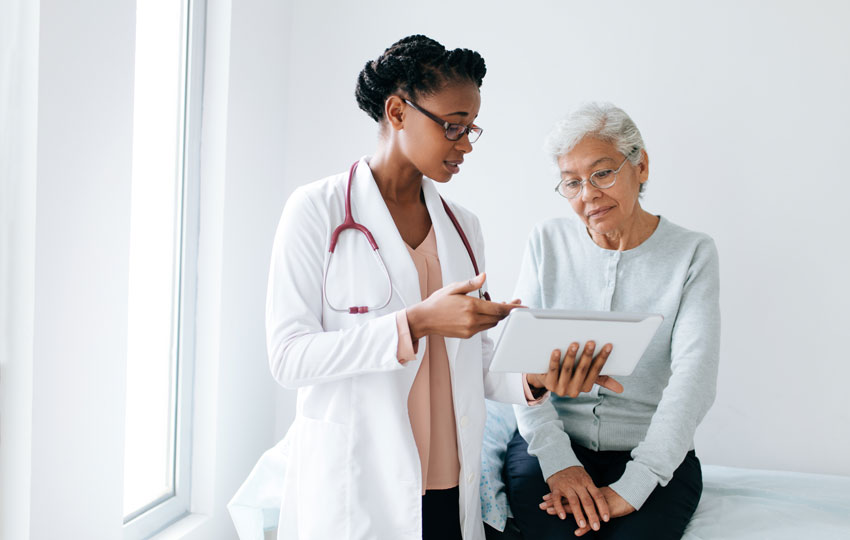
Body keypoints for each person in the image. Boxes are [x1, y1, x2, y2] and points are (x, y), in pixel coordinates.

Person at [249, 37, 622, 540]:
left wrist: (538, 378)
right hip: (358, 481)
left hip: (448, 480)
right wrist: (416, 323)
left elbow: (475, 362)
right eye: (452, 126)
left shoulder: (463, 227)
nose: (465, 144)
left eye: (471, 129)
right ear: (398, 111)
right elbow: (289, 358)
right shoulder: (316, 210)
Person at [502, 103, 720, 540]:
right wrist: (558, 462)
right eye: (572, 182)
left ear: (640, 166)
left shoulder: (693, 253)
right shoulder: (546, 241)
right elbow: (519, 367)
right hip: (550, 443)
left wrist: (639, 481)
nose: (588, 194)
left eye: (602, 173)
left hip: (653, 453)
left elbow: (694, 379)